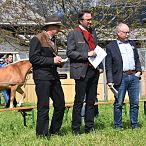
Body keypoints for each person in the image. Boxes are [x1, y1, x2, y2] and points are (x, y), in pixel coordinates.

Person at [67, 10, 103, 134]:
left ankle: (89, 128)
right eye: (88, 20)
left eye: (91, 19)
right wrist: (87, 54)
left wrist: (100, 66)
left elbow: (97, 50)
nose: (90, 22)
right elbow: (70, 53)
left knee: (91, 101)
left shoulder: (93, 33)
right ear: (81, 20)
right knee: (79, 101)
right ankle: (76, 129)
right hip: (81, 71)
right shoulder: (73, 33)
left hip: (94, 71)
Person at [29, 15, 65, 137]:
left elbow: (51, 58)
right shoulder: (37, 39)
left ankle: (55, 131)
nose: (59, 29)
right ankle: (42, 135)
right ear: (51, 26)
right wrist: (52, 60)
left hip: (53, 75)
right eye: (57, 26)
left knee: (60, 104)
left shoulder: (53, 40)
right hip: (42, 76)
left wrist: (58, 61)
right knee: (43, 106)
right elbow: (33, 58)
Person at [105, 23, 142, 129]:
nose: (127, 34)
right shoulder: (111, 46)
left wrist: (138, 71)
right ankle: (118, 125)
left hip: (133, 76)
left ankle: (134, 124)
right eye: (125, 32)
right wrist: (110, 80)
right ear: (118, 33)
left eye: (128, 32)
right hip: (120, 77)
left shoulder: (132, 44)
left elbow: (137, 59)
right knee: (119, 103)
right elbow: (108, 65)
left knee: (135, 103)